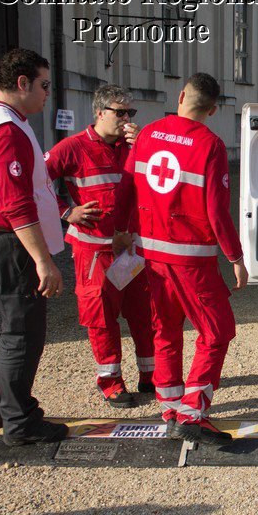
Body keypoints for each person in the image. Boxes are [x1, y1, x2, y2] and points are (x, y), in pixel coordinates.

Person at [0, 48, 91, 445]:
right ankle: (20, 422)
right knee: (23, 334)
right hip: (12, 246)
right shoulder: (6, 130)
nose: (47, 94)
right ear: (22, 84)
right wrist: (42, 261)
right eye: (43, 85)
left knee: (13, 330)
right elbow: (16, 202)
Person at [114, 73, 247, 445]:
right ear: (214, 108)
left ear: (182, 94)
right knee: (217, 331)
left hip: (152, 256)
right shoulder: (211, 145)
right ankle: (192, 413)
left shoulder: (148, 134)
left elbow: (126, 187)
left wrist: (117, 231)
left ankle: (170, 407)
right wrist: (235, 257)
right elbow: (217, 210)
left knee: (165, 329)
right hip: (192, 260)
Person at [44, 85, 154, 408]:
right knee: (101, 316)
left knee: (143, 313)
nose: (126, 119)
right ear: (100, 113)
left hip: (131, 249)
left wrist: (143, 146)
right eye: (120, 113)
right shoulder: (73, 148)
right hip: (95, 251)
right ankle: (110, 382)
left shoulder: (133, 146)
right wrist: (67, 212)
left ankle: (151, 375)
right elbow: (35, 182)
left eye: (130, 113)